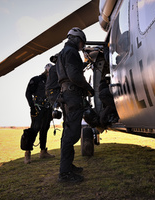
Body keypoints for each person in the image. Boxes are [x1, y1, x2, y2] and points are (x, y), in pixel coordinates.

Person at [56, 27, 94, 182]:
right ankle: (64, 174)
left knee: (67, 133)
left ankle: (67, 166)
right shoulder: (71, 52)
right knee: (71, 135)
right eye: (81, 43)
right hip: (72, 96)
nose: (81, 47)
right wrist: (88, 88)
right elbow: (74, 75)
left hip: (66, 95)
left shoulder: (62, 54)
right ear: (77, 39)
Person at [24, 64, 55, 164]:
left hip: (48, 109)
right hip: (37, 109)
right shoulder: (36, 79)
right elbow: (28, 93)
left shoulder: (53, 82)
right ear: (46, 71)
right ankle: (27, 153)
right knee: (34, 129)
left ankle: (43, 152)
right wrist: (32, 107)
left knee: (44, 129)